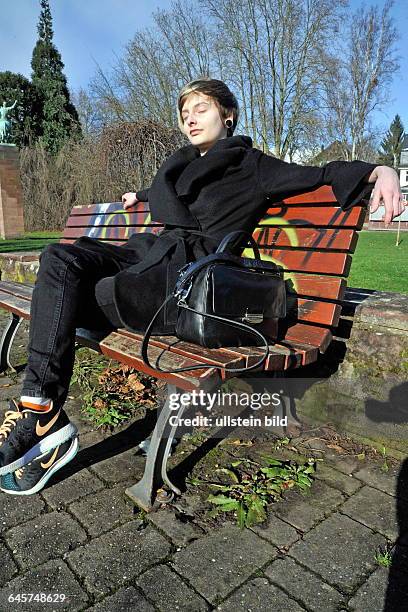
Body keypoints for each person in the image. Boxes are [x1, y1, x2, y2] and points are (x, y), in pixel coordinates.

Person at [0, 78, 403, 495]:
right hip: (150, 254)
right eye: (185, 112)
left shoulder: (253, 165)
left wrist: (382, 170)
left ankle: (42, 416)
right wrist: (137, 196)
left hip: (187, 279)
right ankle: (41, 407)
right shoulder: (180, 164)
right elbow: (176, 193)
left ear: (227, 115)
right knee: (59, 257)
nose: (190, 119)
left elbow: (319, 173)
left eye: (201, 109)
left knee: (78, 294)